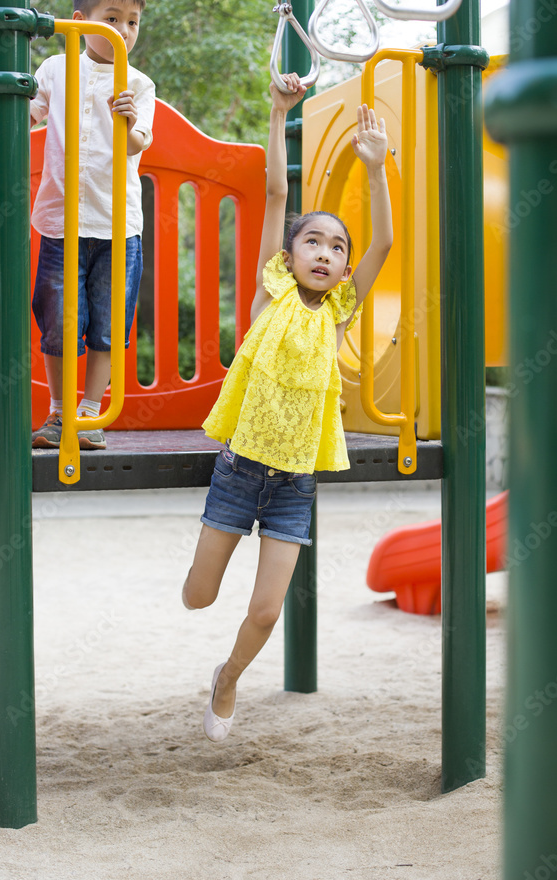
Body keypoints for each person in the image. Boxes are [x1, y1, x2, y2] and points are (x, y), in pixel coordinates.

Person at [182, 72, 393, 742]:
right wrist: (277, 113)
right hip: (239, 469)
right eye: (313, 241)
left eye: (337, 247)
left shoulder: (338, 314)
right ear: (289, 255)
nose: (325, 253)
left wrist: (374, 167)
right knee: (197, 596)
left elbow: (383, 244)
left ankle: (227, 679)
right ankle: (210, 599)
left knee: (267, 611)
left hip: (294, 482)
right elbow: (277, 192)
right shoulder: (268, 295)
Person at [31, 0, 156, 450]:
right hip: (61, 223)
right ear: (80, 23)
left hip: (117, 226)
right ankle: (59, 412)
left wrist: (126, 121)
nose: (125, 30)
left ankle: (90, 413)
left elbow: (138, 142)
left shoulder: (138, 84)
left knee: (108, 324)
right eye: (113, 18)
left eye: (133, 21)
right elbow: (27, 114)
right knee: (59, 323)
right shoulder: (55, 69)